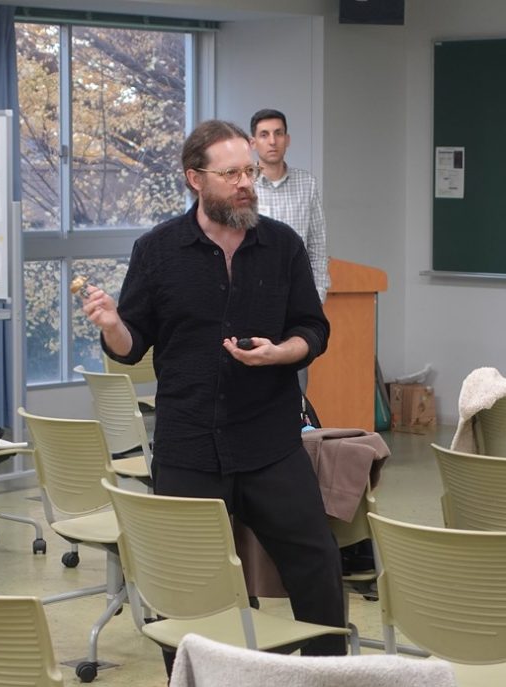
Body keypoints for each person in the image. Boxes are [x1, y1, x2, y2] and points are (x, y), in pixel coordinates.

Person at [82, 119, 346, 666]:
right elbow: (131, 346)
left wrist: (282, 352)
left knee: (318, 567)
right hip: (189, 446)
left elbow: (313, 328)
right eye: (231, 174)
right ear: (195, 179)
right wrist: (111, 324)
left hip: (270, 441)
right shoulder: (157, 250)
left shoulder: (282, 246)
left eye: (249, 171)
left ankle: (328, 677)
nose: (246, 183)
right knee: (184, 588)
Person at [249, 109, 329, 303]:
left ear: (287, 139)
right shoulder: (244, 186)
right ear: (253, 143)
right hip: (253, 293)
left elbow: (317, 245)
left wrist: (317, 295)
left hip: (297, 293)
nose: (272, 141)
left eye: (278, 133)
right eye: (264, 135)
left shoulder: (307, 184)